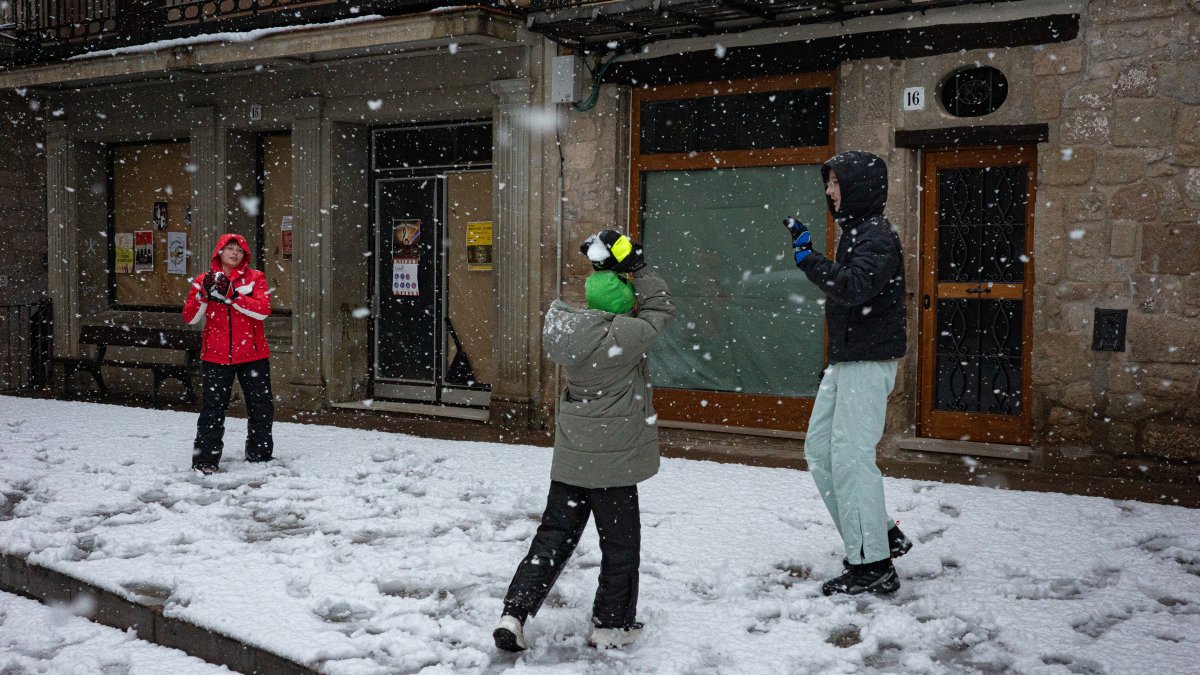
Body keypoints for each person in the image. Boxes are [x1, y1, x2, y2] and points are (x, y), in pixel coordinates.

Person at [494, 230, 674, 652]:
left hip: (573, 459)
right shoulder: (626, 335)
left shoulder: (567, 332)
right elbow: (660, 307)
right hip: (614, 465)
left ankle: (514, 613)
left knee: (552, 537)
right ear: (624, 307)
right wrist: (639, 269)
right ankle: (611, 624)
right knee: (620, 545)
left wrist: (604, 271)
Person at [786, 151, 913, 596]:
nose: (830, 191)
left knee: (851, 458)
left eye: (836, 182)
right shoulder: (857, 232)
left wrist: (810, 261)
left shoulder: (877, 236)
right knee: (820, 450)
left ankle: (873, 564)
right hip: (848, 361)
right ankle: (882, 534)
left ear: (859, 186)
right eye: (829, 183)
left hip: (867, 362)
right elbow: (850, 295)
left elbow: (854, 287)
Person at [182, 233, 274, 475]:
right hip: (216, 356)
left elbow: (263, 311)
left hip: (253, 355)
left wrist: (234, 296)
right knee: (213, 409)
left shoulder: (256, 278)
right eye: (230, 248)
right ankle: (205, 459)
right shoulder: (203, 280)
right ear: (219, 252)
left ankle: (260, 454)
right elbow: (190, 318)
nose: (235, 253)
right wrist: (202, 295)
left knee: (260, 406)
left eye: (239, 250)